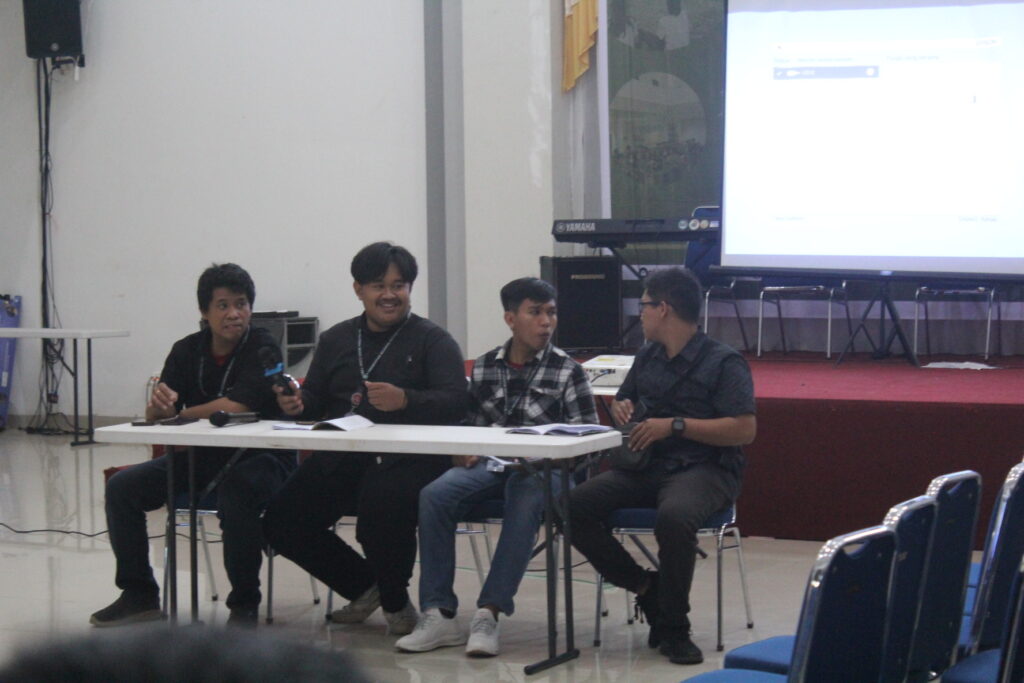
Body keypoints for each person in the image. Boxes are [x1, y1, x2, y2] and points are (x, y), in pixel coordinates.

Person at [262, 242, 467, 636]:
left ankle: (395, 602)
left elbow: (458, 402)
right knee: (282, 520)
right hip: (343, 454)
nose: (390, 295)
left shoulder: (433, 340)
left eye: (399, 285)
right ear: (358, 289)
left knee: (380, 505)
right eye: (378, 286)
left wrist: (406, 400)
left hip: (409, 459)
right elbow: (316, 397)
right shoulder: (337, 338)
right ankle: (365, 585)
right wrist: (297, 403)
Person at [395, 277, 598, 657]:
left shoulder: (568, 370)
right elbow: (470, 426)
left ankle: (489, 612)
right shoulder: (486, 366)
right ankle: (438, 613)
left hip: (547, 471)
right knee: (435, 494)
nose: (546, 322)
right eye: (535, 312)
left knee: (524, 497)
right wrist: (464, 451)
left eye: (551, 313)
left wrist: (551, 453)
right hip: (491, 465)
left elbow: (589, 443)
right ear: (510, 318)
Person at [91, 263, 296, 628]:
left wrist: (181, 413)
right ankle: (139, 595)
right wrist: (159, 408)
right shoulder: (186, 350)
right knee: (122, 487)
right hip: (203, 456)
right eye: (223, 305)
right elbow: (161, 414)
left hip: (263, 458)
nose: (234, 314)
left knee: (238, 491)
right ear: (204, 311)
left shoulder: (263, 346)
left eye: (241, 304)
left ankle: (244, 605)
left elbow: (238, 406)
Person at [569, 266, 756, 665]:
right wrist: (623, 407)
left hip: (705, 467)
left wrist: (675, 425)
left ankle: (674, 627)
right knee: (571, 506)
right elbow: (626, 399)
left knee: (675, 517)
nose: (640, 314)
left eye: (644, 305)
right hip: (648, 465)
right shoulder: (647, 355)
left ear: (664, 308)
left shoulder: (724, 362)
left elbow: (744, 429)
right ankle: (646, 587)